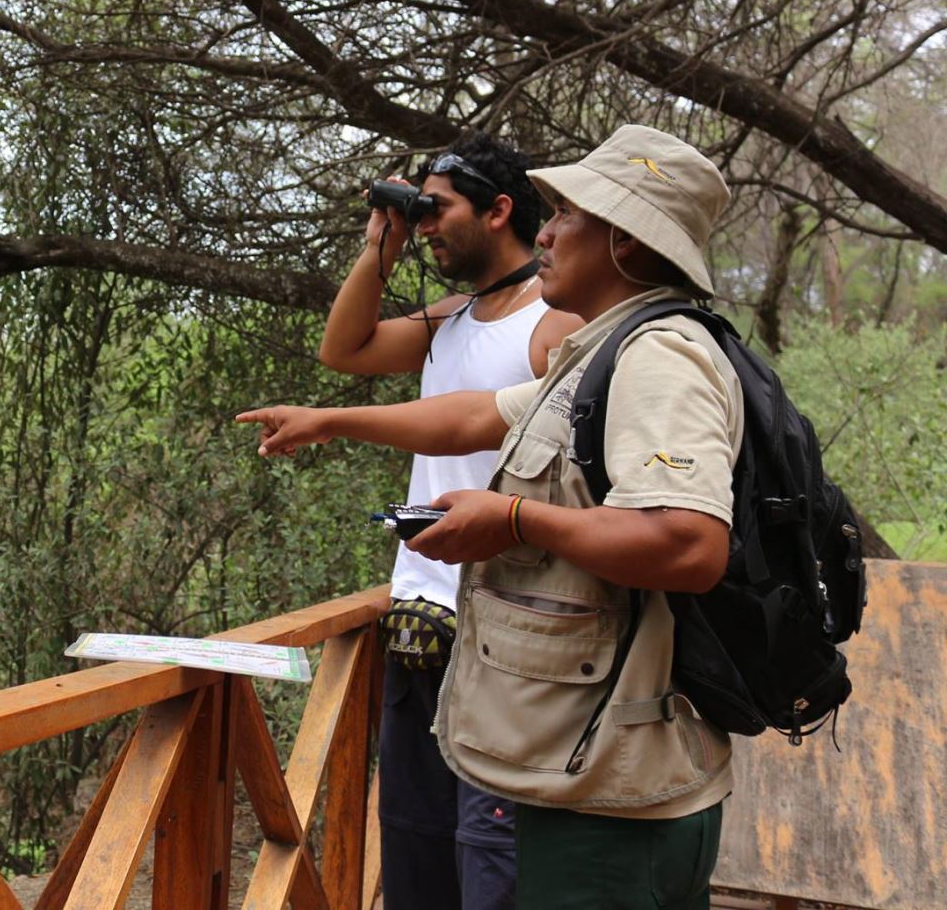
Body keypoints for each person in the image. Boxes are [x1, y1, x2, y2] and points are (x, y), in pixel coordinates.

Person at [239, 124, 739, 910]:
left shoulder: (652, 355)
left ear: (626, 242)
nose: (548, 230)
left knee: (495, 870)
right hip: (504, 669)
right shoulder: (596, 348)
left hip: (582, 716)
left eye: (568, 213)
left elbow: (691, 544)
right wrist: (331, 418)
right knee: (432, 853)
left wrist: (511, 520)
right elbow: (470, 416)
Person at [318, 131, 578, 910]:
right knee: (415, 838)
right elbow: (345, 348)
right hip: (420, 611)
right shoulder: (452, 317)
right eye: (419, 210)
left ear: (500, 211)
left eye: (439, 209)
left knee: (492, 852)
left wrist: (331, 422)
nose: (427, 223)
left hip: (504, 624)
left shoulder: (552, 322)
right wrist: (381, 247)